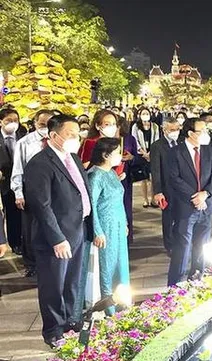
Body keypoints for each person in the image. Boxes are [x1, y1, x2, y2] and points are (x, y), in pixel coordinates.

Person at [24, 114, 91, 347]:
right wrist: (57, 238)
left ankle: (71, 321)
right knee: (53, 284)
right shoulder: (40, 164)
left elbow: (81, 191)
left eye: (78, 133)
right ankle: (53, 330)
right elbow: (41, 206)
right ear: (54, 135)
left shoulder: (71, 157)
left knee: (72, 281)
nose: (77, 138)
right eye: (71, 134)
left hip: (77, 230)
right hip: (56, 237)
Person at [167, 118, 212, 286]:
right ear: (190, 133)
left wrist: (205, 194)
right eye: (201, 131)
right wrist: (195, 197)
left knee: (202, 246)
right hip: (186, 207)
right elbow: (174, 179)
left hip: (206, 207)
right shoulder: (176, 152)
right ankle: (175, 285)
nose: (205, 134)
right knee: (182, 248)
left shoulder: (208, 151)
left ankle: (197, 278)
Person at [88, 137, 129, 315]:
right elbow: (92, 205)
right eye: (117, 153)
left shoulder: (111, 173)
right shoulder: (95, 176)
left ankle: (123, 301)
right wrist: (97, 231)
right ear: (105, 155)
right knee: (107, 265)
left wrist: (125, 222)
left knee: (121, 264)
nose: (120, 156)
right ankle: (108, 306)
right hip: (106, 226)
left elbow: (119, 201)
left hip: (119, 224)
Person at [12, 109, 54, 276]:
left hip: (53, 189)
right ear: (35, 124)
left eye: (48, 124)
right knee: (30, 229)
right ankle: (31, 264)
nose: (45, 128)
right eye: (42, 124)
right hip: (31, 190)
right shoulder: (25, 143)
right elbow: (18, 169)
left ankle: (50, 260)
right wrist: (18, 193)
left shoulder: (56, 140)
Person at [151, 117, 180, 254]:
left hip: (181, 186)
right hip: (166, 188)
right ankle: (170, 246)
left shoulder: (181, 142)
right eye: (172, 130)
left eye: (177, 129)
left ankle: (180, 242)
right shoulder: (157, 146)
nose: (175, 132)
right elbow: (155, 169)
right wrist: (158, 191)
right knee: (168, 219)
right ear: (164, 130)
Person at [0, 108, 25, 256]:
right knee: (10, 213)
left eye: (15, 120)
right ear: (1, 122)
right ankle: (14, 242)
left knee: (22, 213)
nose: (13, 124)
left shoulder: (22, 137)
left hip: (22, 181)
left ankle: (24, 241)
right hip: (4, 182)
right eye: (9, 121)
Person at [132, 108, 160, 207]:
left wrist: (150, 153)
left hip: (152, 154)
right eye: (143, 113)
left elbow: (156, 140)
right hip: (141, 154)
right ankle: (145, 199)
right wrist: (143, 152)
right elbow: (134, 140)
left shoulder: (155, 126)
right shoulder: (136, 126)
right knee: (143, 178)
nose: (145, 115)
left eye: (147, 113)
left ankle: (153, 199)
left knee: (153, 178)